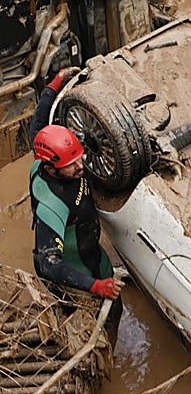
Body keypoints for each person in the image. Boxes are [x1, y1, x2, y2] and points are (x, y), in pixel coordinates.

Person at [28, 67, 123, 328]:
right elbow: (49, 263)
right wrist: (95, 286)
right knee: (93, 326)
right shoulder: (52, 204)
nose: (80, 166)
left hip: (92, 253)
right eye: (70, 165)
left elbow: (39, 121)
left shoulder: (43, 151)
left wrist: (56, 83)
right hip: (74, 271)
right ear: (49, 168)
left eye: (78, 157)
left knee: (117, 308)